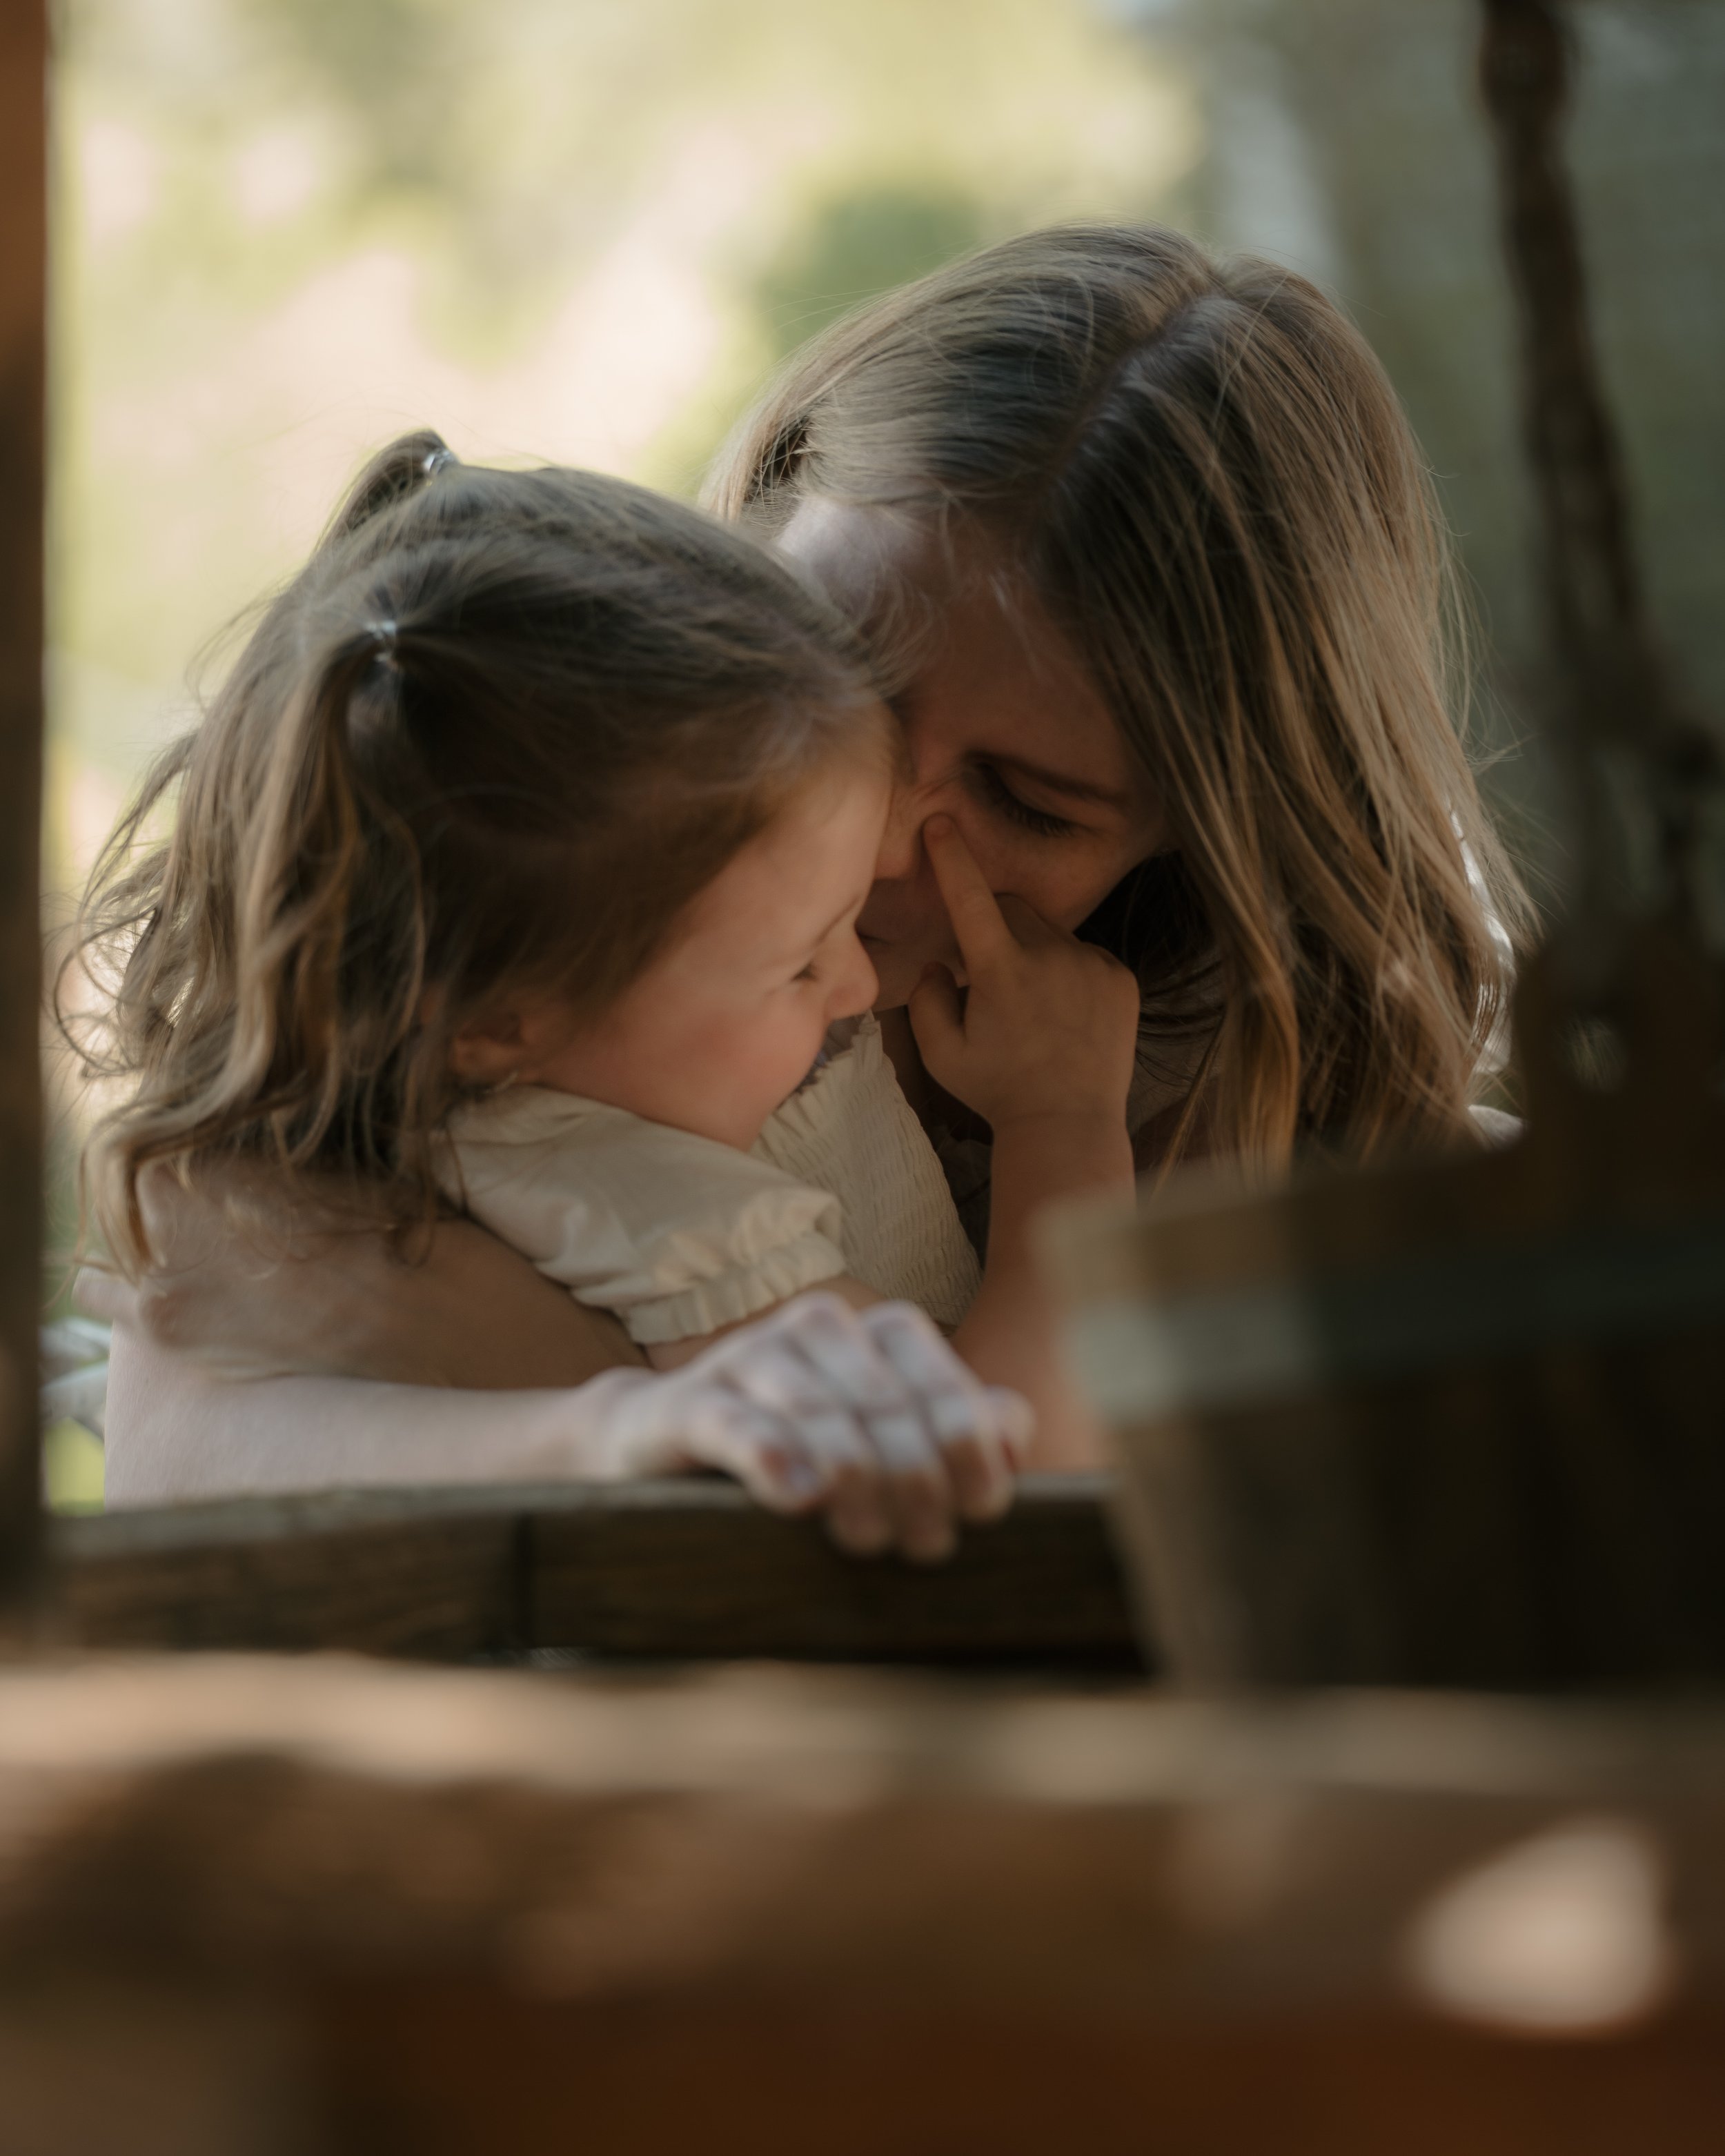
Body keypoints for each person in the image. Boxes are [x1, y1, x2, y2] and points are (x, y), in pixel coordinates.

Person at [84, 225, 1530, 1517]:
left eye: (1023, 802)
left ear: (1216, 842)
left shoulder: (1335, 1170)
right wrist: (621, 1435)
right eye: (849, 691)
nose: (882, 845)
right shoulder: (526, 933)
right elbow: (181, 1416)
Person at [70, 436, 1087, 1558]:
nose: (853, 982)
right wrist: (1064, 1126)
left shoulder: (357, 1107)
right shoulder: (635, 1190)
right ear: (495, 1020)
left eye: (1027, 797)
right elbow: (1018, 1473)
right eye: (801, 961)